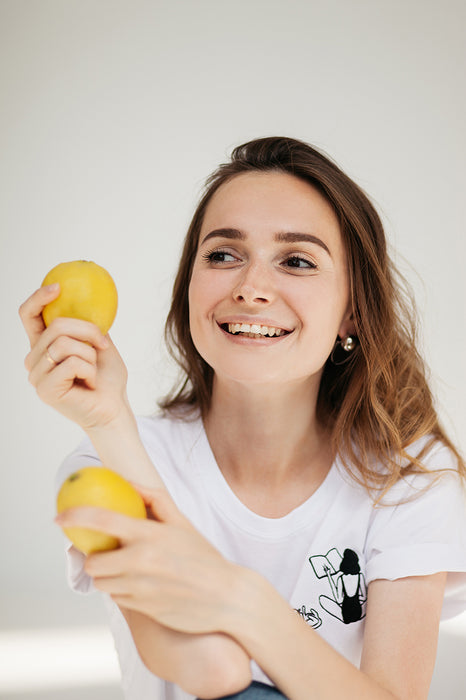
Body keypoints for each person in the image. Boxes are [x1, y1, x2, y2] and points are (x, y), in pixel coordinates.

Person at [19, 136, 466, 700]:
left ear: (352, 309)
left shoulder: (410, 477)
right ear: (190, 287)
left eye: (297, 260)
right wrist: (108, 425)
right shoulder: (103, 466)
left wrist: (244, 600)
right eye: (223, 255)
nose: (251, 289)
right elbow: (210, 669)